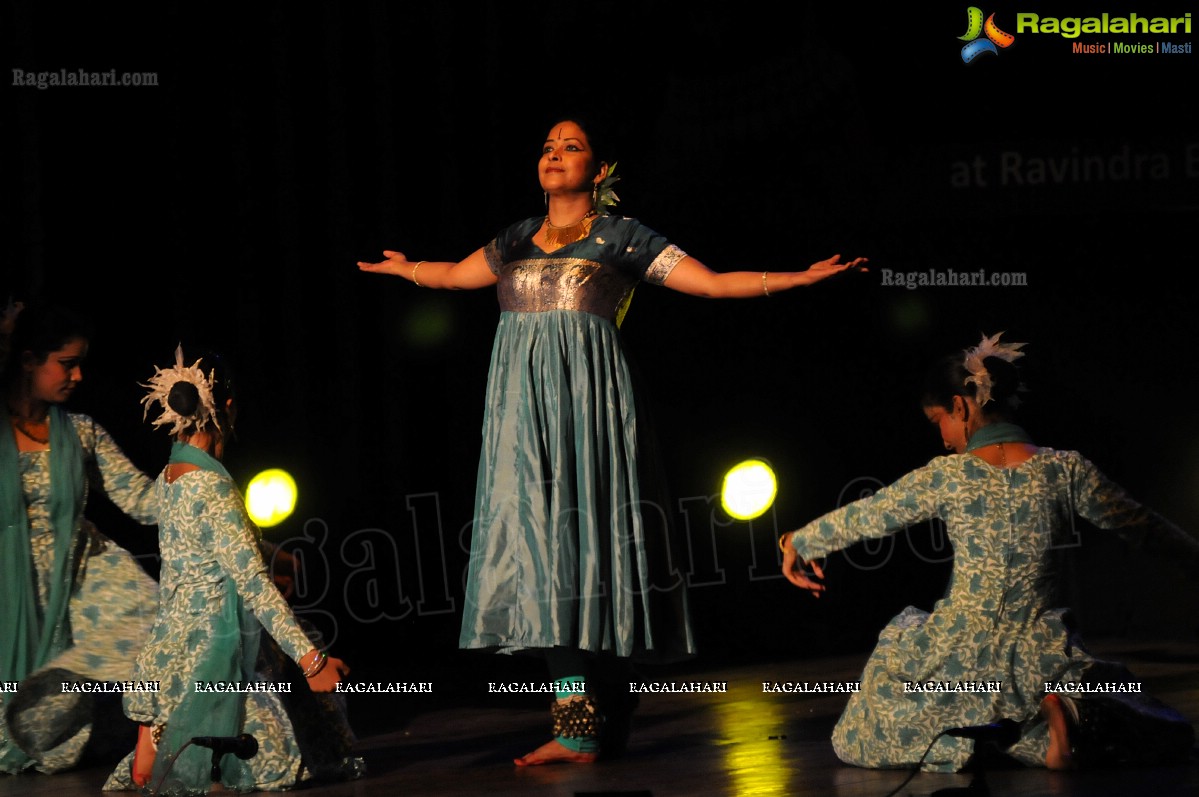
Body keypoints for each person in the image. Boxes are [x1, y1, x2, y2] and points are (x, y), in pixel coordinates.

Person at [358, 116, 867, 765]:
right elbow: (456, 276)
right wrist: (409, 270)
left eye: (570, 147)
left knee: (584, 554)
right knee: (533, 556)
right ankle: (585, 715)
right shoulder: (516, 237)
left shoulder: (619, 238)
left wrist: (795, 277)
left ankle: (595, 712)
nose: (554, 154)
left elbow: (709, 283)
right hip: (519, 416)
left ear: (599, 172)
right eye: (546, 146)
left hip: (588, 416)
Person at [780, 332, 1198, 772]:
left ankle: (1006, 740)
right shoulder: (1064, 469)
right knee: (1139, 716)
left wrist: (800, 541)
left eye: (939, 421)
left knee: (862, 730)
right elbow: (1142, 526)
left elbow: (871, 514)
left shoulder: (948, 475)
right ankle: (1062, 717)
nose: (942, 438)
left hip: (961, 648)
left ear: (961, 407)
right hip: (1038, 649)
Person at [103, 346, 361, 794]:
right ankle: (177, 741)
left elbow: (208, 545)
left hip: (171, 643)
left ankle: (166, 729)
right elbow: (255, 587)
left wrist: (269, 551)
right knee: (282, 759)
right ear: (226, 407)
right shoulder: (213, 485)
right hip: (211, 650)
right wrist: (311, 661)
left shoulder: (171, 475)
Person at [1, 300, 160, 774]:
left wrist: (197, 477)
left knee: (154, 617)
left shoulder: (81, 432)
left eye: (80, 365)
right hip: (14, 582)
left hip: (81, 567)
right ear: (28, 360)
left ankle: (157, 741)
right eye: (66, 364)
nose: (77, 376)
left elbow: (142, 500)